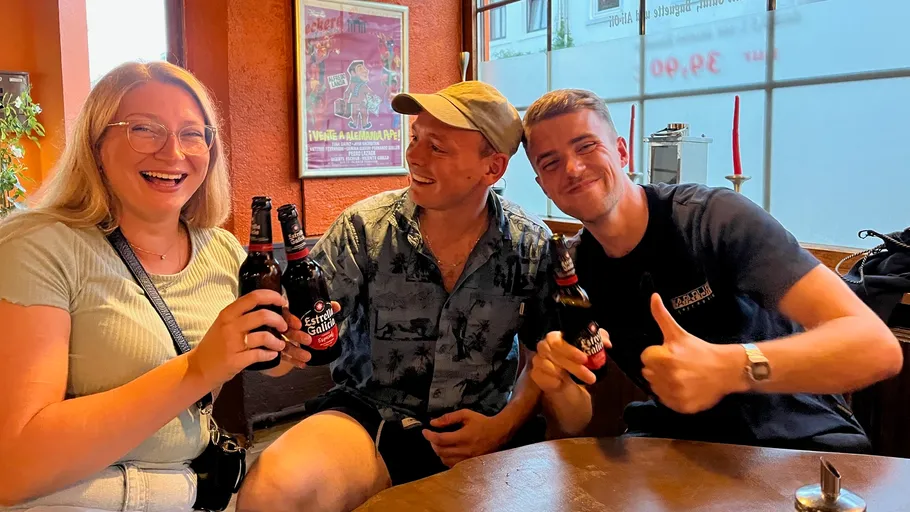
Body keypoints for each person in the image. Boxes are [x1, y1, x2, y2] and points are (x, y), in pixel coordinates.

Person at [0, 61, 313, 511]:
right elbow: (13, 467)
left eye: (192, 133)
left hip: (190, 492)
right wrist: (199, 368)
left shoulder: (222, 251)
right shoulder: (38, 246)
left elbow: (238, 364)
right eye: (144, 130)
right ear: (96, 144)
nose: (173, 153)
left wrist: (280, 352)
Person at [523, 88, 903, 453]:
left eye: (587, 145)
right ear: (543, 185)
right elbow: (575, 421)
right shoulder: (573, 271)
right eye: (551, 162)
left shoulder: (714, 219)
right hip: (680, 451)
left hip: (800, 443)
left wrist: (729, 368)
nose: (573, 168)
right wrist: (557, 385)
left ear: (621, 152)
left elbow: (877, 349)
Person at [238, 81, 552, 512]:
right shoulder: (364, 230)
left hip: (487, 430)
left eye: (437, 148)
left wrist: (503, 426)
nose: (414, 157)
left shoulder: (531, 244)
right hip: (372, 418)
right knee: (273, 490)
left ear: (492, 168)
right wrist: (279, 347)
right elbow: (293, 345)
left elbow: (542, 357)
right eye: (415, 139)